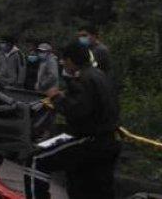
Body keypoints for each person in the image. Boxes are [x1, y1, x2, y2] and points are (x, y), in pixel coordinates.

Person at [25, 40, 120, 199]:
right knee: (88, 187)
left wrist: (56, 97)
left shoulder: (83, 78)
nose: (62, 63)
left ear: (70, 60)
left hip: (88, 139)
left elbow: (77, 110)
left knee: (36, 160)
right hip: (109, 140)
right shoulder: (100, 76)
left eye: (64, 59)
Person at [78, 26, 114, 90]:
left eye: (84, 35)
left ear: (93, 36)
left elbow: (92, 67)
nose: (82, 38)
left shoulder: (101, 50)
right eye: (80, 36)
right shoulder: (89, 49)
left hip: (102, 86)